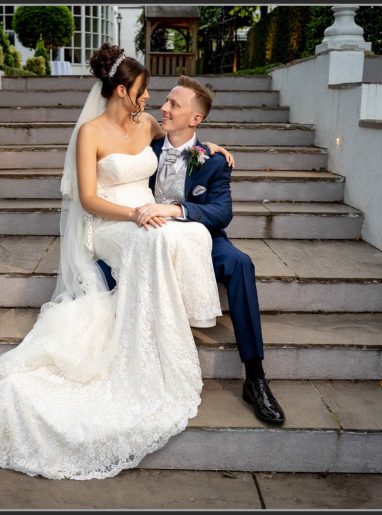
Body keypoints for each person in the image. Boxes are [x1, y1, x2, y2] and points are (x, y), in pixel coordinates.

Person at [0, 44, 229, 480]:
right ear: (122, 90)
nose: (149, 98)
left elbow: (180, 141)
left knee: (183, 232)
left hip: (146, 217)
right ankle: (150, 347)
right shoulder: (91, 133)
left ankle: (179, 321)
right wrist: (135, 214)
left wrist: (208, 146)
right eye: (142, 90)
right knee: (152, 242)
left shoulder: (147, 124)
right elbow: (88, 198)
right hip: (110, 224)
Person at [98, 76, 286, 425]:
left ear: (195, 119)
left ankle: (256, 377)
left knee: (240, 264)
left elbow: (221, 212)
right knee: (105, 263)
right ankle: (115, 355)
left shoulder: (213, 160)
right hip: (148, 239)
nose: (164, 108)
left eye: (174, 105)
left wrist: (175, 210)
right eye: (166, 101)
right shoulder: (145, 149)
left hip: (201, 239)